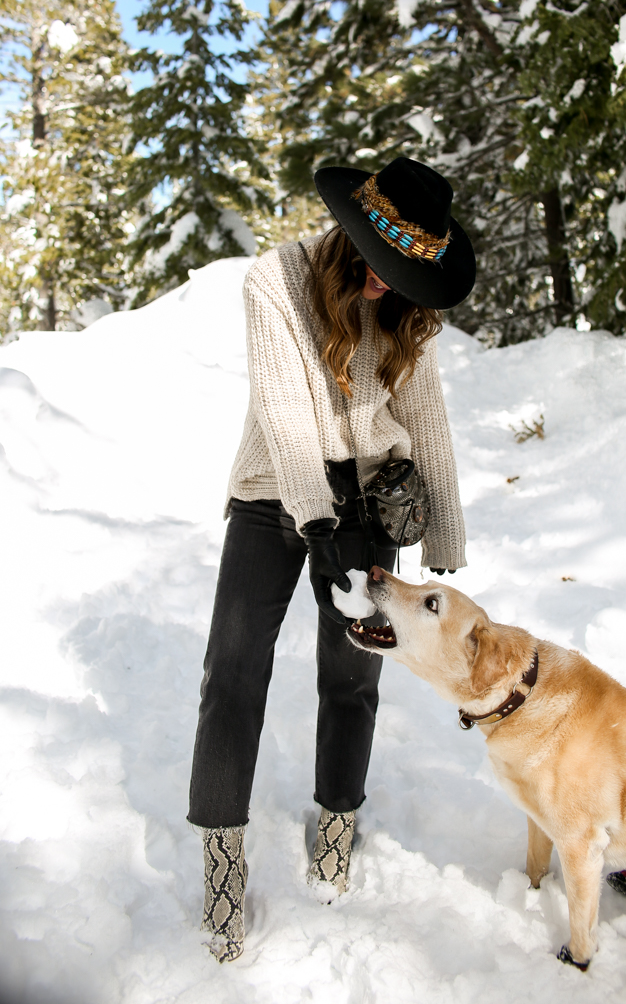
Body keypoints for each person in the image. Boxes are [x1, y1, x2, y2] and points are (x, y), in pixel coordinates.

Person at [187, 156, 476, 962]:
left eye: (402, 278)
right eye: (380, 273)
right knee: (233, 672)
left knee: (352, 677)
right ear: (351, 245)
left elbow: (426, 412)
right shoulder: (273, 283)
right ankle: (221, 857)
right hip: (274, 492)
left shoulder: (403, 308)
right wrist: (318, 532)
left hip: (374, 495)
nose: (386, 291)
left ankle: (338, 821)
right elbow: (284, 414)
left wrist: (445, 531)